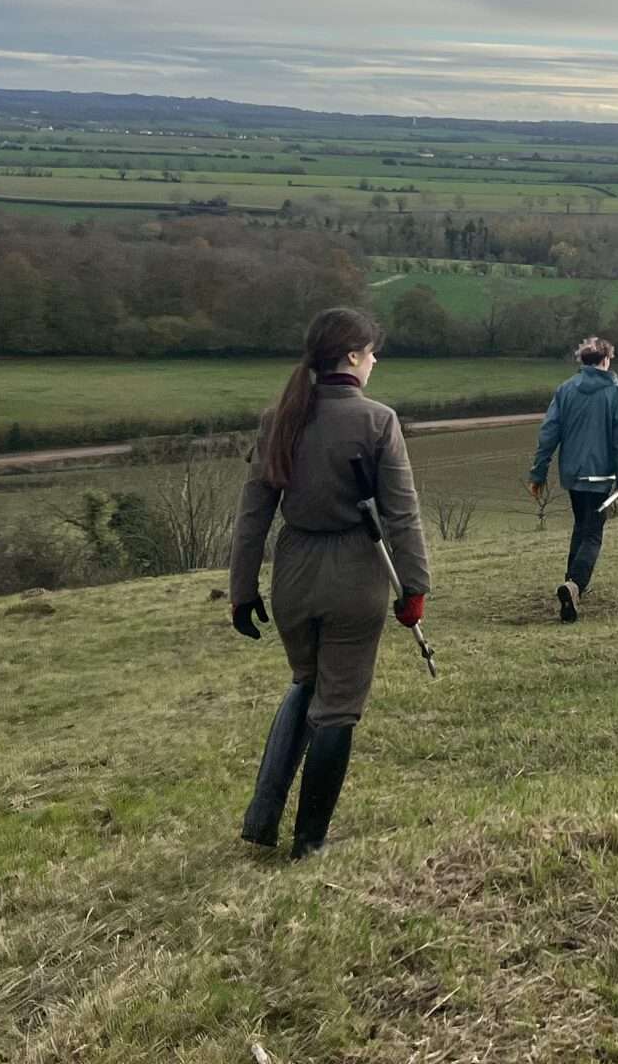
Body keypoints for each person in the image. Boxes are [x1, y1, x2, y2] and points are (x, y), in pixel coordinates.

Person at [228, 306, 430, 859]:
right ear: (351, 357)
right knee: (337, 706)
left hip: (292, 575)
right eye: (370, 353)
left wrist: (242, 589)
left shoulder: (280, 418)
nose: (374, 361)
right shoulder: (377, 421)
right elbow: (403, 515)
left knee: (307, 681)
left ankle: (262, 817)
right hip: (354, 576)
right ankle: (309, 841)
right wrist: (414, 588)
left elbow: (254, 515)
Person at [531, 336, 618, 621]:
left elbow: (548, 433)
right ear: (606, 360)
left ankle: (569, 585)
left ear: (582, 361)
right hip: (601, 475)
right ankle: (575, 584)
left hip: (573, 474)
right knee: (592, 532)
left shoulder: (565, 390)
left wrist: (538, 472)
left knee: (581, 524)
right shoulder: (616, 391)